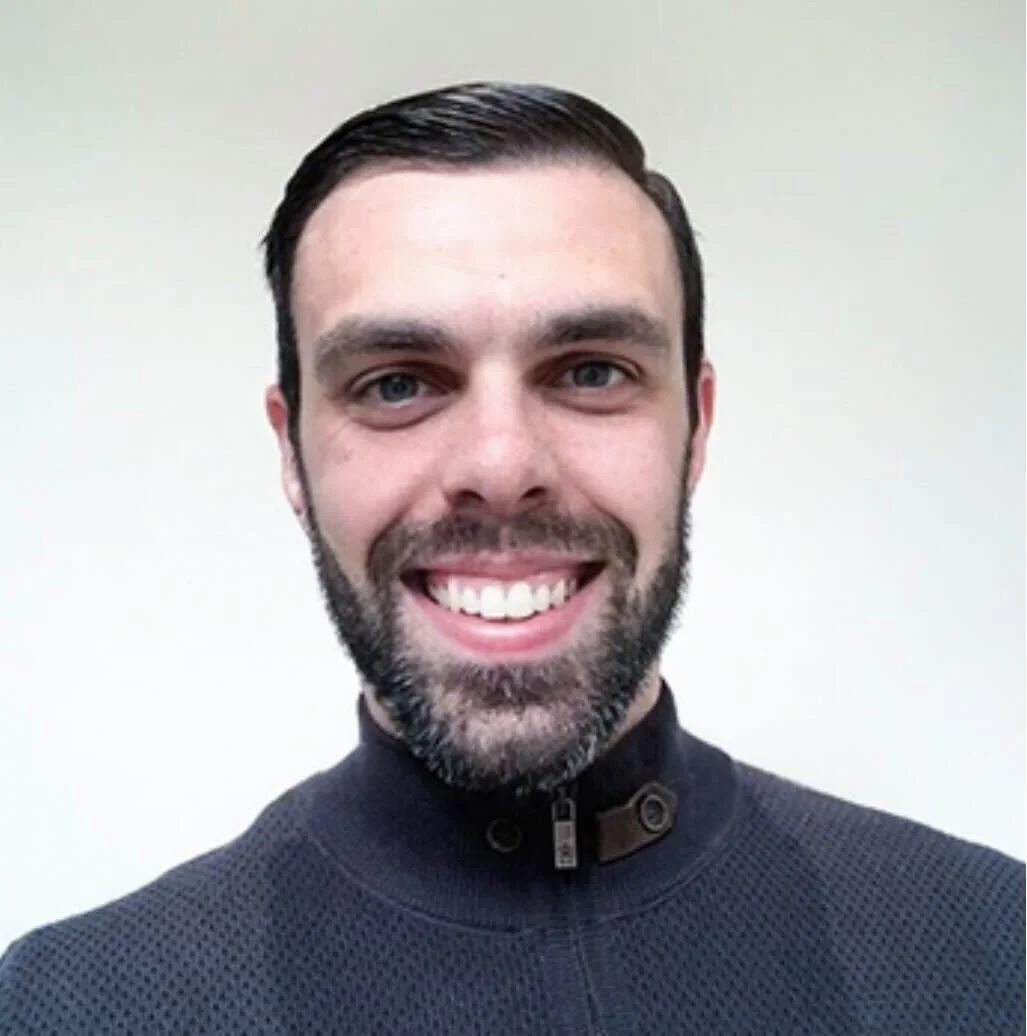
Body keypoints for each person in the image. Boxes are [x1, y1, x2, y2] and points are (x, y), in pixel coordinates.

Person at [0, 81, 1022, 1035]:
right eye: (397, 383)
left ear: (695, 427)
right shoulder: (73, 1004)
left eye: (588, 371)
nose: (500, 464)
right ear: (292, 450)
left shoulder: (990, 950)